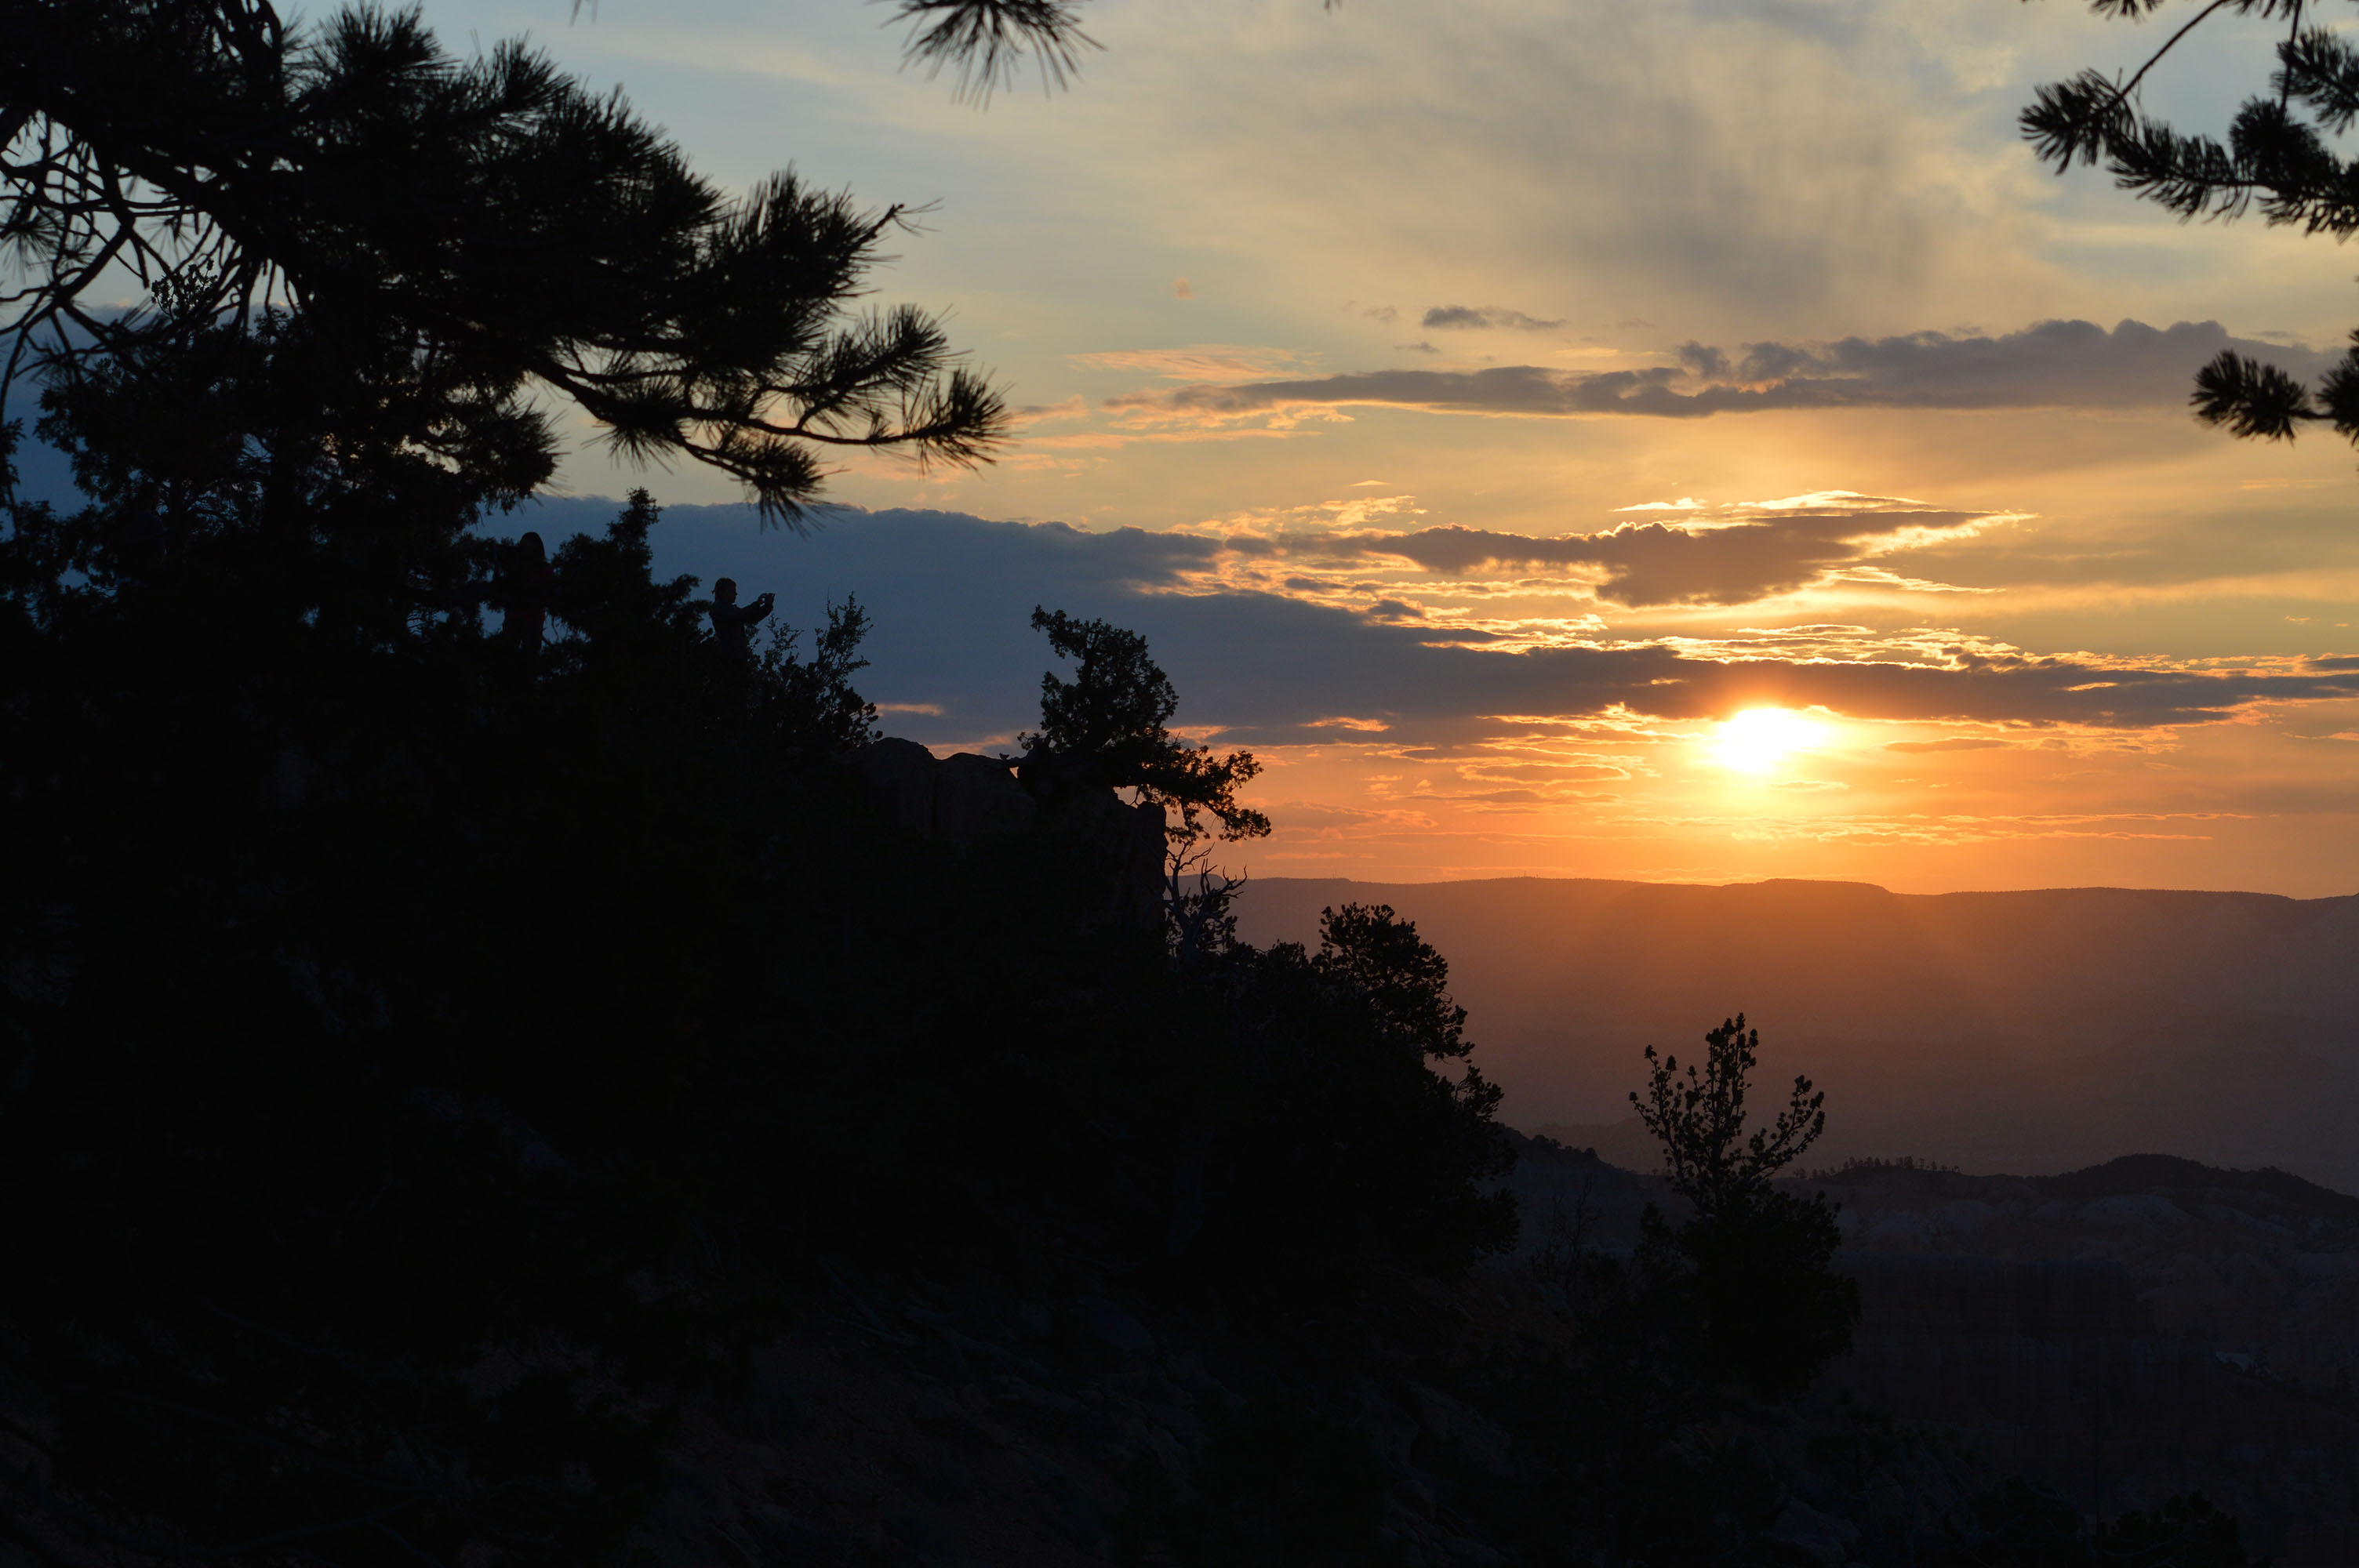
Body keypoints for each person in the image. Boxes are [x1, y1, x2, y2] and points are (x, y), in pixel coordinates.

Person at [499, 532, 556, 655]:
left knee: (530, 656)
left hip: (533, 620)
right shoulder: (516, 567)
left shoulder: (545, 569)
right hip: (514, 618)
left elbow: (549, 591)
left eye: (527, 545)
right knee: (507, 655)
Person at [709, 577, 774, 661]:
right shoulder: (718, 609)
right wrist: (756, 604)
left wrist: (767, 606)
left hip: (739, 655)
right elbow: (739, 615)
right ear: (722, 592)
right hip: (729, 657)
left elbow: (752, 618)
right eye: (732, 591)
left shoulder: (732, 609)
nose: (736, 594)